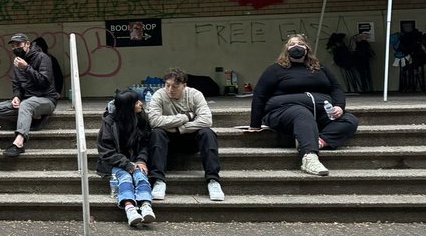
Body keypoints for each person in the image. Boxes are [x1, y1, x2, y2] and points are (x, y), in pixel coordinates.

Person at [246, 34, 359, 176]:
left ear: (307, 48)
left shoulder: (320, 67)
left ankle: (316, 141)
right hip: (283, 111)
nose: (296, 46)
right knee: (302, 113)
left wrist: (339, 106)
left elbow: (336, 88)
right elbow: (260, 95)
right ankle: (309, 158)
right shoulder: (275, 69)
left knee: (350, 120)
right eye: (292, 44)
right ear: (286, 50)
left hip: (319, 111)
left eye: (300, 43)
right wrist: (255, 124)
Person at [147, 68, 223, 201]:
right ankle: (158, 181)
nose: (170, 90)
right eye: (167, 85)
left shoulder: (195, 95)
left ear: (184, 86)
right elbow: (154, 121)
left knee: (208, 133)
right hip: (168, 141)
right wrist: (186, 117)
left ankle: (213, 181)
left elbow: (206, 120)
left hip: (190, 139)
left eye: (175, 86)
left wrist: (179, 128)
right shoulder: (159, 95)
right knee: (157, 133)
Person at [0, 33, 58, 157]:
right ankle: (33, 116)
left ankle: (19, 143)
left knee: (26, 105)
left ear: (27, 44)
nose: (16, 48)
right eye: (13, 46)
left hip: (46, 100)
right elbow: (17, 86)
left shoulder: (42, 57)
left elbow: (44, 82)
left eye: (19, 45)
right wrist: (16, 97)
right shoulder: (17, 63)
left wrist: (26, 67)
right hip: (27, 101)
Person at [96, 90, 156, 228]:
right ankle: (130, 208)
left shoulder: (141, 119)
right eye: (136, 102)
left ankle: (146, 205)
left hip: (135, 161)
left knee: (140, 175)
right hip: (113, 163)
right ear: (128, 107)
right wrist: (126, 164)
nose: (141, 104)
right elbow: (106, 151)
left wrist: (141, 160)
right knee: (125, 177)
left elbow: (145, 144)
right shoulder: (109, 123)